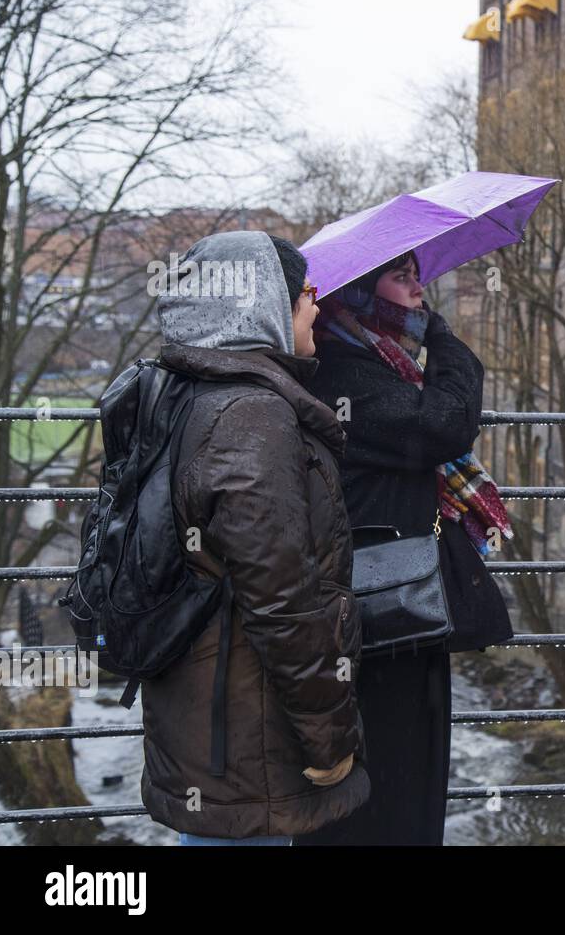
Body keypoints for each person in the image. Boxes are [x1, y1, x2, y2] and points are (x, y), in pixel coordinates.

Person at [143, 230, 369, 845]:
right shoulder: (251, 416)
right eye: (303, 294)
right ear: (262, 305)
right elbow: (283, 603)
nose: (315, 307)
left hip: (203, 719)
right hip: (248, 730)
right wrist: (330, 739)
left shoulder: (182, 389)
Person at [297, 249, 513, 846]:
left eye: (419, 275)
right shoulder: (344, 367)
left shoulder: (368, 356)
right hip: (378, 604)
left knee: (401, 764)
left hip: (390, 591)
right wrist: (445, 339)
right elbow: (443, 422)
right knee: (389, 771)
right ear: (363, 291)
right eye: (402, 276)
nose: (419, 289)